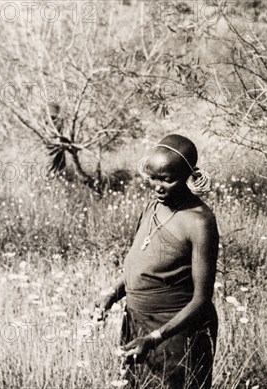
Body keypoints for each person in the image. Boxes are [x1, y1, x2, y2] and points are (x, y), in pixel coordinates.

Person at [93, 134, 218, 389]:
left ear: (188, 176)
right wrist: (113, 295)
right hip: (138, 324)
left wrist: (155, 338)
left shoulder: (199, 221)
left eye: (167, 179)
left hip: (175, 333)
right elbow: (139, 263)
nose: (158, 187)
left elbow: (201, 300)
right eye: (153, 178)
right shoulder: (151, 208)